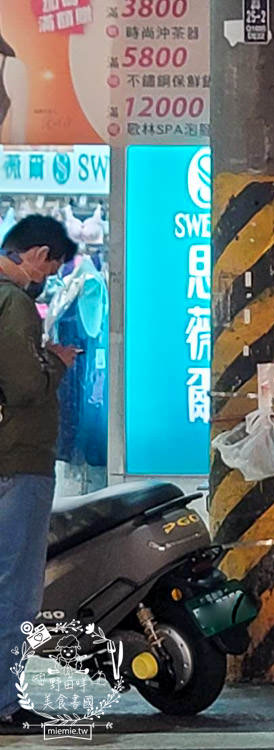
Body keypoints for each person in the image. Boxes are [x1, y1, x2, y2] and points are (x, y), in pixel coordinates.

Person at [0, 216, 78, 730]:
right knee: (15, 588)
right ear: (37, 254)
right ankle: (6, 701)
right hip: (18, 459)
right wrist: (56, 361)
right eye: (52, 265)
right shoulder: (14, 302)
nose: (49, 275)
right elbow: (25, 384)